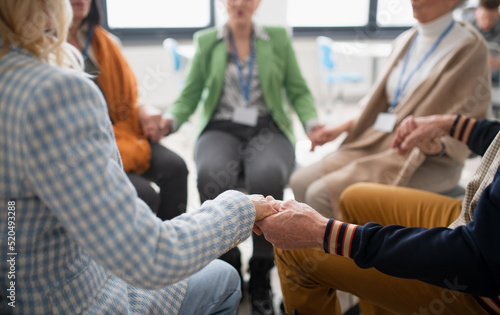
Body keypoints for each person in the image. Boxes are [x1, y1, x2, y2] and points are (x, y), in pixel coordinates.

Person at [0, 1, 277, 314]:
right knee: (224, 277)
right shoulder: (56, 90)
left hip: (22, 290)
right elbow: (150, 259)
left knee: (186, 167)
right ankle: (226, 259)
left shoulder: (86, 52)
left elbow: (130, 98)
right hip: (70, 300)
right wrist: (242, 207)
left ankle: (259, 271)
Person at [158, 0, 322, 313]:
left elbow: (298, 90)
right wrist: (170, 121)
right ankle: (227, 258)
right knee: (211, 173)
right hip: (221, 127)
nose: (239, 3)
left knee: (268, 177)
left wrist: (312, 124)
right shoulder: (208, 41)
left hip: (268, 127)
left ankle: (261, 268)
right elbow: (190, 94)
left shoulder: (277, 38)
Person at [256, 113, 500, 315]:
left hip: (481, 282)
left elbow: (476, 259)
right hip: (477, 215)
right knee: (354, 196)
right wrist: (452, 124)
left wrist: (326, 232)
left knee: (296, 252)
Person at [290, 0, 491, 220]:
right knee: (299, 181)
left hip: (426, 159)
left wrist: (438, 145)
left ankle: (346, 253)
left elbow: (471, 120)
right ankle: (310, 254)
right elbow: (383, 105)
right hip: (377, 142)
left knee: (321, 195)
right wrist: (341, 128)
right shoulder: (405, 40)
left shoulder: (470, 48)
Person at [67, 0, 188, 221]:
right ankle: (145, 250)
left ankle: (174, 243)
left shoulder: (104, 42)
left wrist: (143, 109)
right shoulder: (46, 48)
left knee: (176, 167)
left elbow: (128, 96)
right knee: (143, 195)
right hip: (84, 142)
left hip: (120, 130)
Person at [462, 0, 500, 84]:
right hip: (469, 72)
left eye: (492, 19)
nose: (487, 22)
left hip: (494, 76)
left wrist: (497, 62)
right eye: (483, 17)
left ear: (497, 14)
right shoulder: (465, 25)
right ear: (476, 12)